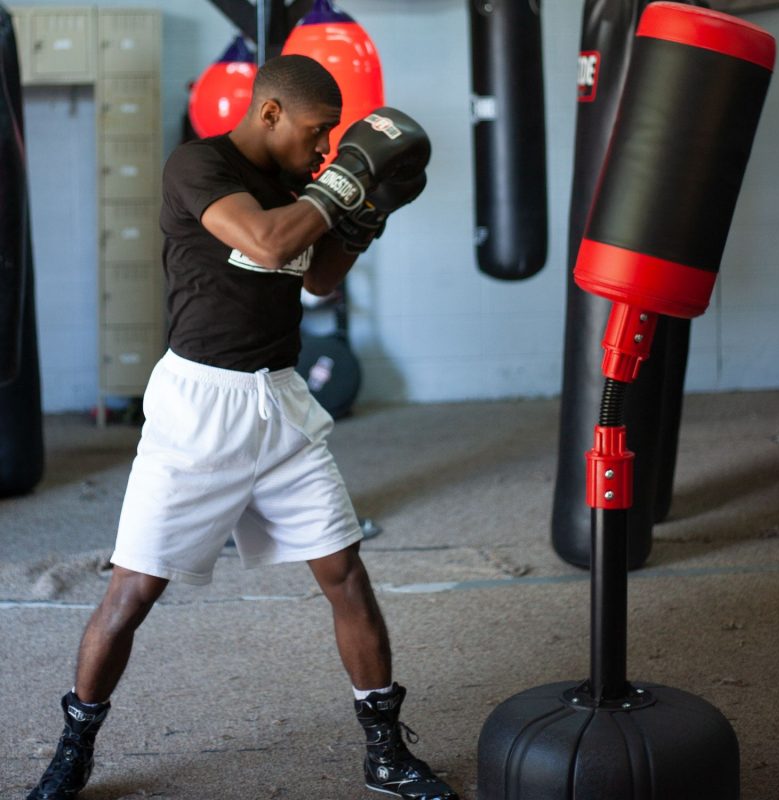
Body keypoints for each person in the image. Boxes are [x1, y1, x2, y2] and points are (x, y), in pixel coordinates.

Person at [27, 54, 458, 800]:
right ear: (270, 113)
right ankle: (73, 749)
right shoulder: (198, 165)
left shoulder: (300, 187)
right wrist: (346, 181)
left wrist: (368, 215)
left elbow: (317, 275)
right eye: (316, 134)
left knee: (346, 576)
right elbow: (267, 243)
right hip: (198, 408)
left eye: (332, 142)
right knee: (131, 593)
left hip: (279, 403)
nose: (324, 152)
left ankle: (384, 752)